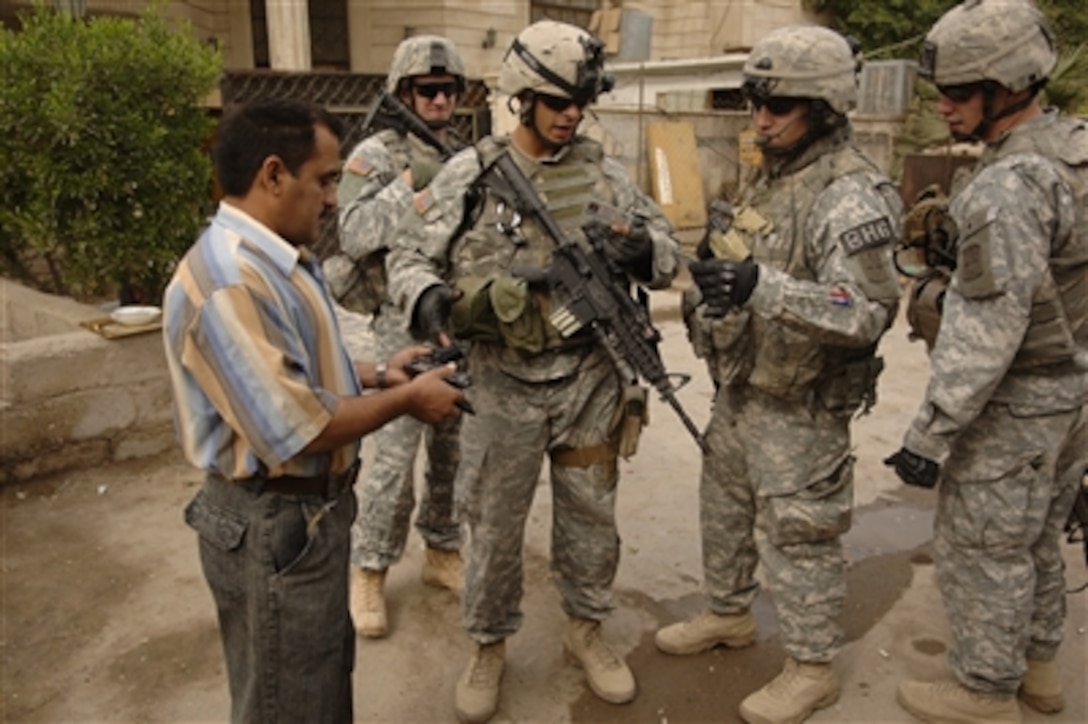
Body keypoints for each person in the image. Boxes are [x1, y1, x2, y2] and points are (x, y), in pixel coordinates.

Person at [385, 19, 680, 723]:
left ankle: (586, 631)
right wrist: (430, 304)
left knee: (590, 519)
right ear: (522, 99)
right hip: (500, 384)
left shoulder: (604, 170)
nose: (571, 114)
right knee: (491, 524)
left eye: (579, 100)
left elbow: (667, 254)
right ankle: (488, 645)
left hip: (587, 382)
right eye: (556, 102)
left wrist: (641, 248)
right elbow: (407, 255)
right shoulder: (472, 172)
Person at [162, 99, 466, 723]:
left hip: (303, 520)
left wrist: (384, 371)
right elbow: (296, 429)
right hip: (273, 522)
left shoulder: (277, 258)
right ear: (273, 175)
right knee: (289, 704)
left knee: (316, 688)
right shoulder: (230, 282)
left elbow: (296, 369)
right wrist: (408, 399)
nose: (333, 200)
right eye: (325, 180)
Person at [658, 25, 903, 724]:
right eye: (754, 101)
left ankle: (813, 666)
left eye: (778, 107)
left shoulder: (850, 194)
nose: (759, 119)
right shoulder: (775, 172)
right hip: (742, 389)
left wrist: (761, 286)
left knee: (800, 535)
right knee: (724, 511)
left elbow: (866, 311)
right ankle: (728, 613)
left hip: (801, 406)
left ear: (824, 107)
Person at [884, 1, 1088, 722]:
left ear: (1009, 87)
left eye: (961, 92)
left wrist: (928, 436)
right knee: (1035, 542)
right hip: (1070, 397)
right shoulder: (1073, 149)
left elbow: (989, 330)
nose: (944, 104)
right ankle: (1039, 673)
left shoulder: (1009, 185)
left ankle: (984, 689)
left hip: (1017, 401)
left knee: (983, 546)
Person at [322, 34, 467, 639]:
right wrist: (420, 182)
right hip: (397, 322)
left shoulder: (461, 151)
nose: (438, 101)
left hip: (454, 317)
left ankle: (440, 550)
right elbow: (354, 234)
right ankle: (370, 567)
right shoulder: (375, 156)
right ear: (403, 93)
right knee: (395, 454)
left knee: (451, 450)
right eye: (426, 91)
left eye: (447, 90)